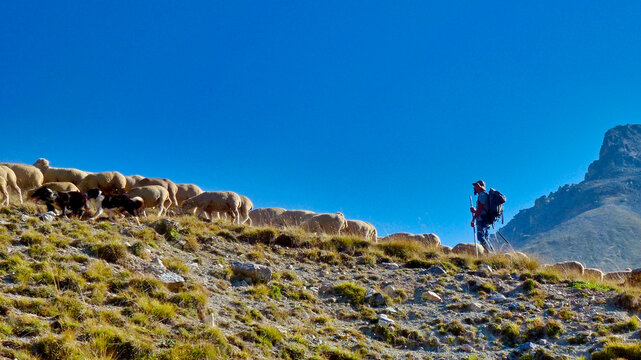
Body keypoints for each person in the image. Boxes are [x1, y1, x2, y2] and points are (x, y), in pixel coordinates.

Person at [470, 180, 491, 252]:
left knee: (480, 237)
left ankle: (490, 253)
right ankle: (491, 254)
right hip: (486, 219)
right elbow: (482, 209)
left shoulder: (482, 195)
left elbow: (480, 208)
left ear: (479, 186)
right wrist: (475, 211)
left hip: (482, 219)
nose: (474, 188)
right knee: (485, 238)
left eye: (475, 186)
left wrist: (473, 219)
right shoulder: (484, 195)